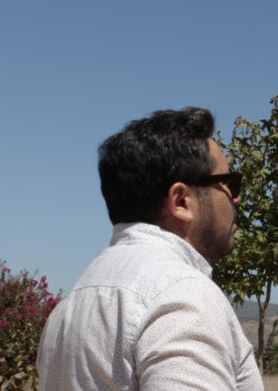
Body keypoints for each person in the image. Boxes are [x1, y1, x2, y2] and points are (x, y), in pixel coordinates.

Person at [37, 107, 261, 390]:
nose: (236, 199)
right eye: (229, 184)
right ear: (181, 201)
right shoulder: (181, 294)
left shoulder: (72, 304)